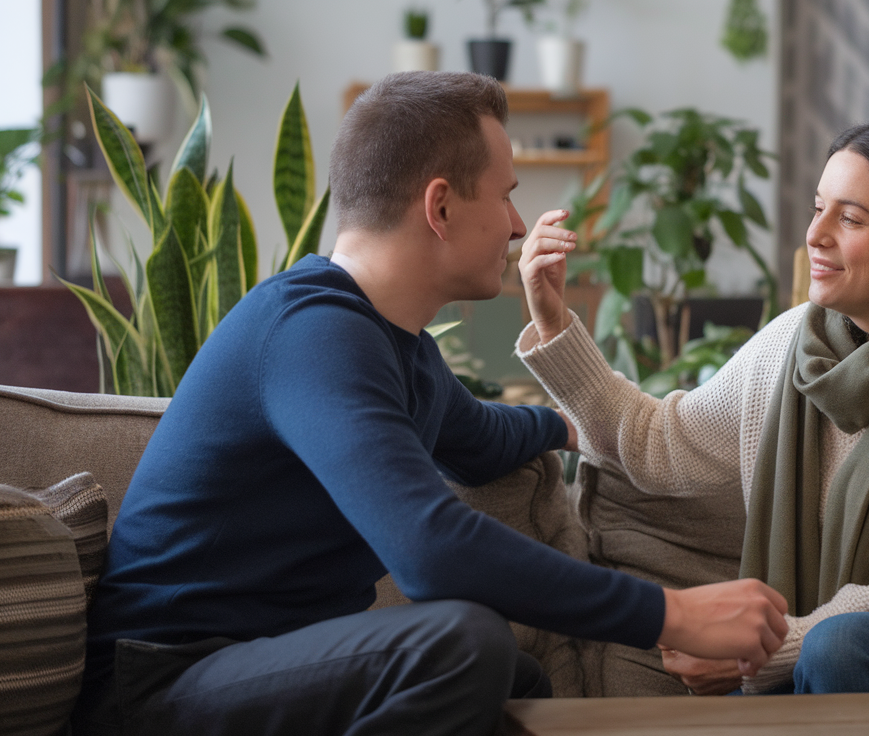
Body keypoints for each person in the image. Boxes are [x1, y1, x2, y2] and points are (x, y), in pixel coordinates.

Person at [73, 71, 788, 736]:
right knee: (461, 642)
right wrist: (673, 614)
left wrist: (573, 428)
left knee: (519, 677)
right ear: (440, 206)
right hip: (163, 685)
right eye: (505, 195)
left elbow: (478, 437)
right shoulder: (313, 334)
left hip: (266, 664)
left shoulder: (398, 346)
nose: (517, 225)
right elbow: (431, 549)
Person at [515, 119, 869, 696]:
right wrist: (552, 319)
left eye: (849, 218)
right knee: (835, 649)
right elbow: (659, 446)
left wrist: (755, 655)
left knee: (840, 647)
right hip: (847, 661)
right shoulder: (793, 343)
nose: (816, 234)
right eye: (817, 208)